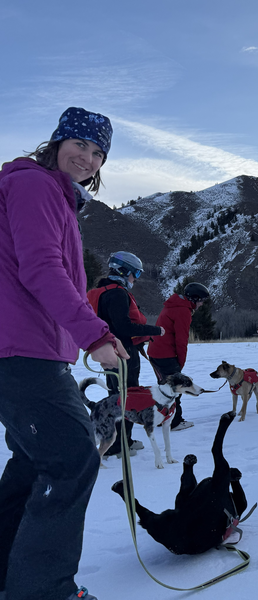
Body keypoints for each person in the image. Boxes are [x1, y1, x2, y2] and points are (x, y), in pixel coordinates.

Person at [0, 107, 127, 600]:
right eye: (80, 144)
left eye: (98, 153)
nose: (88, 158)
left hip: (27, 348)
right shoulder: (34, 185)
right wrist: (93, 334)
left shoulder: (49, 193)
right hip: (21, 349)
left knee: (35, 462)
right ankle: (43, 592)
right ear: (56, 142)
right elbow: (40, 269)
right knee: (74, 458)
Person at [87, 251, 164, 456]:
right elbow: (124, 328)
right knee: (128, 399)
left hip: (109, 352)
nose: (135, 279)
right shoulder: (117, 293)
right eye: (135, 274)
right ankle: (122, 444)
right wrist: (154, 330)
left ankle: (118, 441)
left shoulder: (101, 291)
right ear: (125, 271)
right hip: (124, 353)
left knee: (117, 396)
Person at [147, 281, 211, 429]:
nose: (201, 304)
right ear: (194, 299)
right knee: (175, 389)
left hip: (155, 352)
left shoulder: (173, 305)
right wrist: (180, 365)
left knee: (164, 388)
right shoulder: (183, 311)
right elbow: (181, 341)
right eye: (201, 301)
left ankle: (161, 418)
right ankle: (174, 422)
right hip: (165, 355)